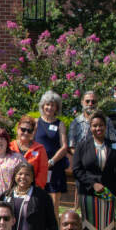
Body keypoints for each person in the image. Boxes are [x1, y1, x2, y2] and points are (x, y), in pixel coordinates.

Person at [72, 111, 116, 230]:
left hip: (109, 195)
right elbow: (77, 170)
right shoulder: (82, 146)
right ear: (90, 127)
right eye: (95, 125)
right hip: (89, 194)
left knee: (108, 226)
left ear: (105, 127)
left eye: (101, 125)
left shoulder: (115, 146)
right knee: (89, 227)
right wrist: (93, 184)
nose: (98, 128)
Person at [0, 163, 59, 230]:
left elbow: (52, 223)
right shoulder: (6, 195)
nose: (23, 177)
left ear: (32, 178)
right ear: (15, 176)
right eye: (20, 174)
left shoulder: (42, 196)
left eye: (27, 175)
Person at [35, 91, 69, 221]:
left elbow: (64, 146)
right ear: (43, 106)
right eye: (47, 104)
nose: (49, 107)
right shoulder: (36, 122)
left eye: (53, 105)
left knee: (54, 201)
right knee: (38, 198)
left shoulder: (60, 124)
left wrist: (52, 161)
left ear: (57, 108)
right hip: (38, 167)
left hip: (55, 167)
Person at [9, 115, 48, 189]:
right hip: (11, 189)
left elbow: (42, 174)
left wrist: (33, 189)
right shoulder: (9, 147)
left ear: (33, 132)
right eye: (23, 129)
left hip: (32, 190)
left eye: (29, 131)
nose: (26, 133)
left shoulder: (39, 149)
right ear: (18, 129)